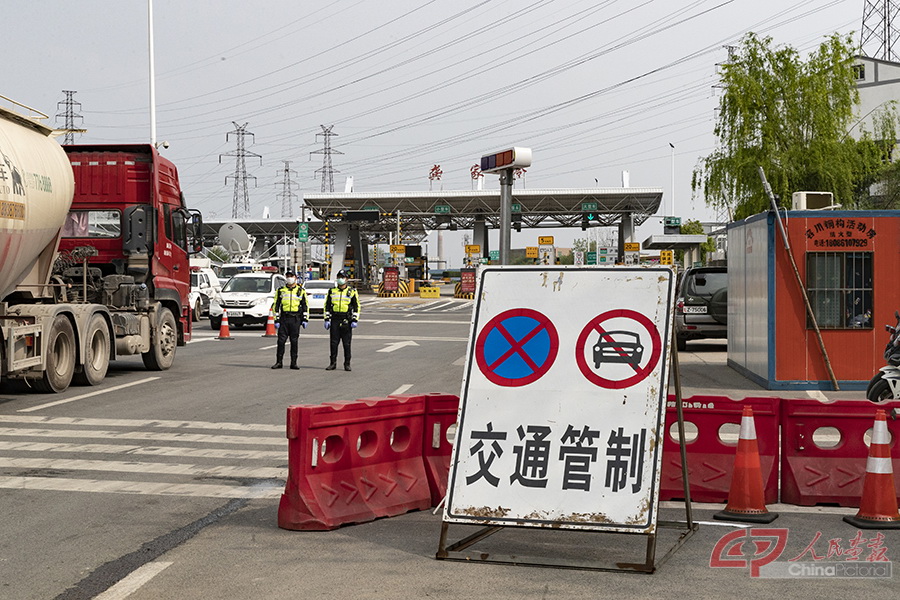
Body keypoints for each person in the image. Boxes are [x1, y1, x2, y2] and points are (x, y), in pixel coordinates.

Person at [271, 271, 308, 370]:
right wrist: (277, 319)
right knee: (281, 341)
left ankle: (294, 363)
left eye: (291, 276)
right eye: (287, 276)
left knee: (294, 341)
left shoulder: (301, 291)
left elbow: (305, 305)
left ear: (295, 277)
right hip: (284, 318)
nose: (289, 278)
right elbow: (276, 305)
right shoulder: (281, 290)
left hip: (295, 319)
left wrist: (305, 319)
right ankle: (279, 362)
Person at [324, 270, 360, 371]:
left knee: (346, 344)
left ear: (346, 279)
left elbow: (356, 306)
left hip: (346, 319)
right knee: (333, 343)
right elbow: (327, 305)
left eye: (343, 277)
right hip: (335, 319)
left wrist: (355, 319)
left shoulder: (351, 291)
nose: (341, 279)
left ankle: (347, 364)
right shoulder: (332, 291)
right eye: (339, 277)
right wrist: (327, 318)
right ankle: (332, 363)